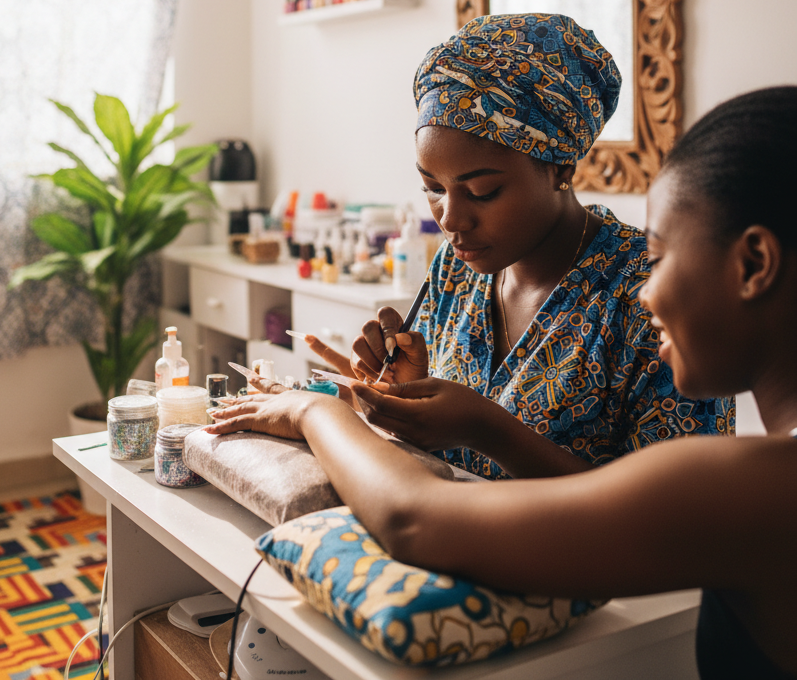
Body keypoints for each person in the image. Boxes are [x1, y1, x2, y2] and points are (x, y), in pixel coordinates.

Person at [207, 86, 797, 678]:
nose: (647, 290)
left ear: (753, 265)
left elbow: (418, 520)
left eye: (662, 257)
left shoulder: (755, 488)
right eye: (433, 189)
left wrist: (313, 411)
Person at [306, 13, 732, 478]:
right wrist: (401, 396)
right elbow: (442, 465)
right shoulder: (456, 267)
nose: (450, 219)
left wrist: (490, 431)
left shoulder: (652, 297)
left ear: (562, 169)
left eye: (483, 191)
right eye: (432, 187)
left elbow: (683, 521)